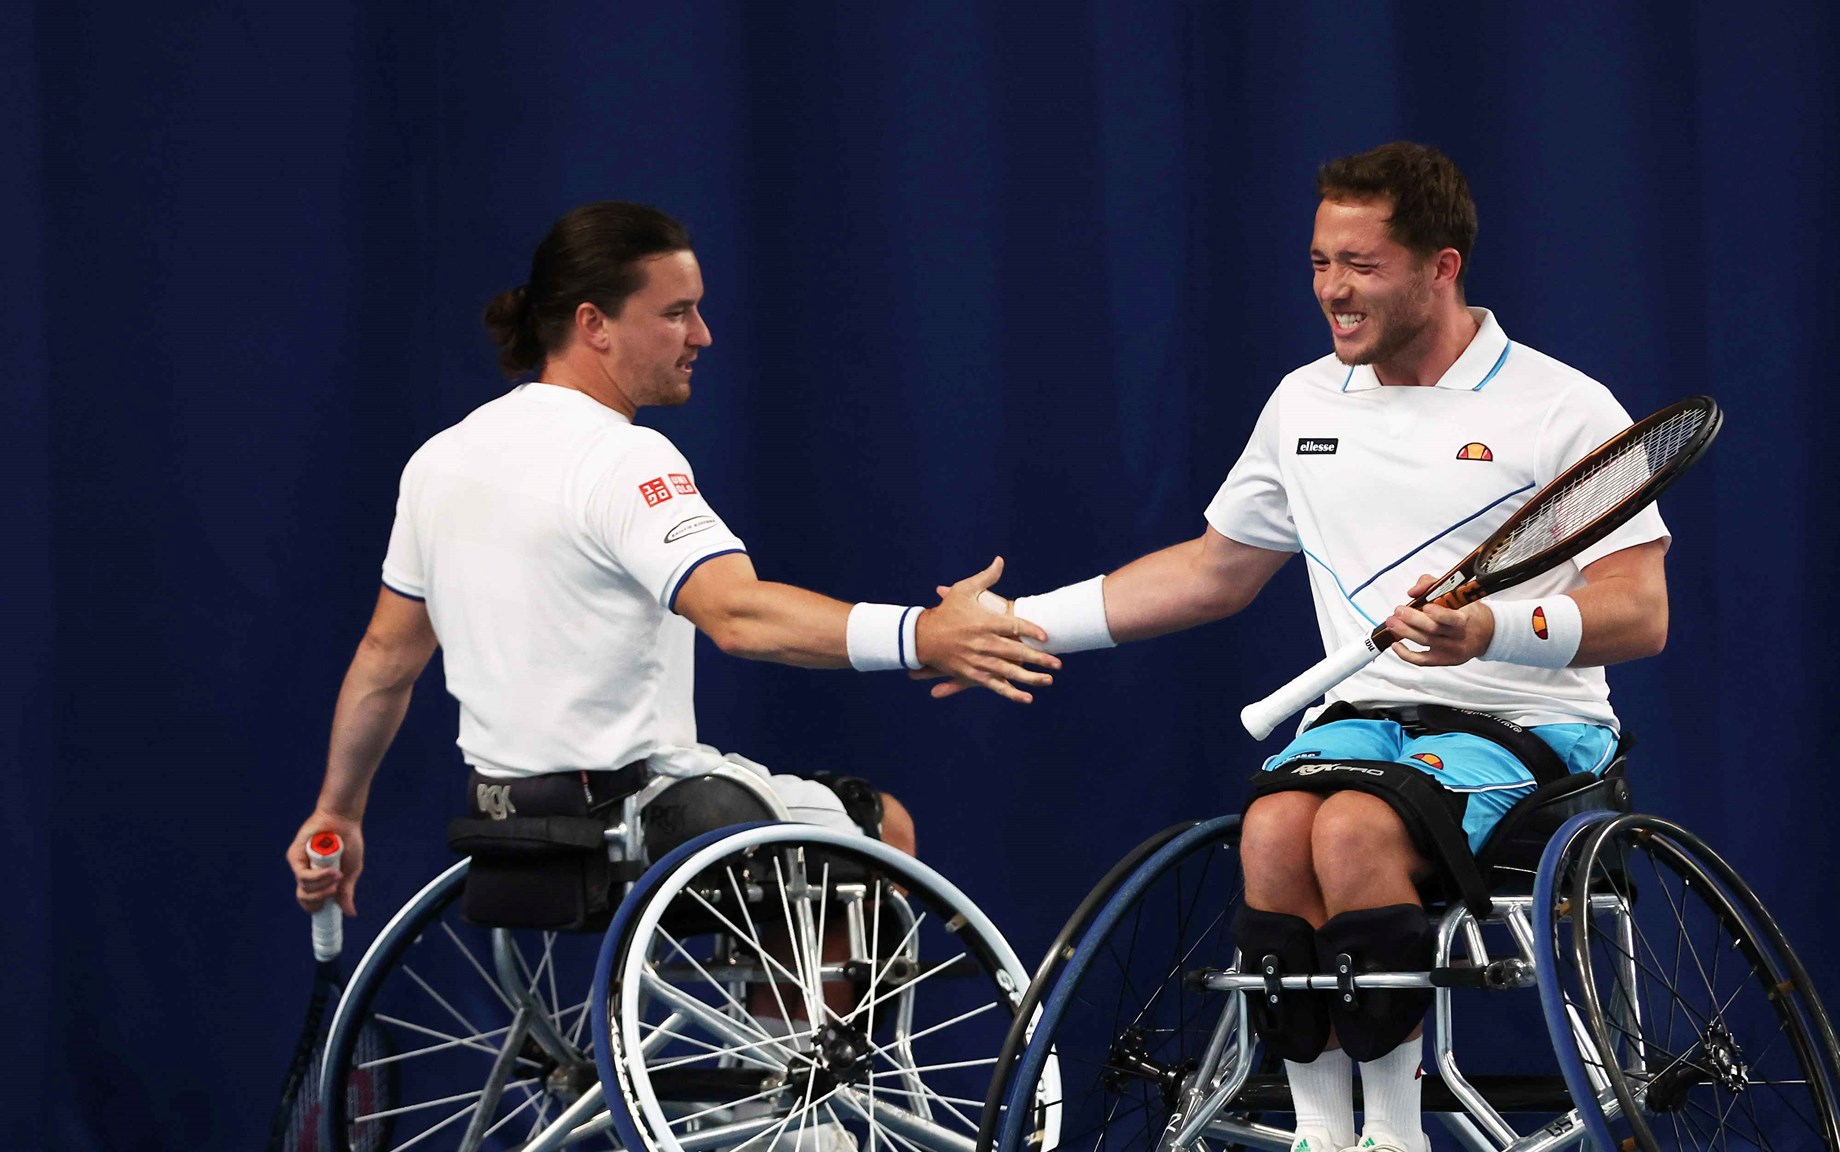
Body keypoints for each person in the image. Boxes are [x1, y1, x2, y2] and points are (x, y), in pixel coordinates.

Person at [947, 143, 1670, 1152]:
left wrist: (1487, 626)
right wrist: (1016, 620)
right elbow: (1211, 572)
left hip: (1534, 731)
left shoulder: (1563, 408)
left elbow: (1639, 612)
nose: (1332, 290)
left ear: (1440, 267)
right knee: (1273, 830)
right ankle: (1325, 1134)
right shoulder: (1302, 403)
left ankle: (1392, 1133)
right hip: (1360, 723)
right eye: (1319, 263)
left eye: (1360, 265)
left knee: (1348, 835)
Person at [285, 200, 1055, 928]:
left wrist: (339, 811)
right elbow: (738, 614)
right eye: (676, 312)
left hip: (506, 825)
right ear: (595, 325)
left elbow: (387, 657)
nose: (703, 336)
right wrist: (923, 634)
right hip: (635, 819)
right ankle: (808, 1072)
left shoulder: (439, 460)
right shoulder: (623, 456)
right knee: (883, 829)